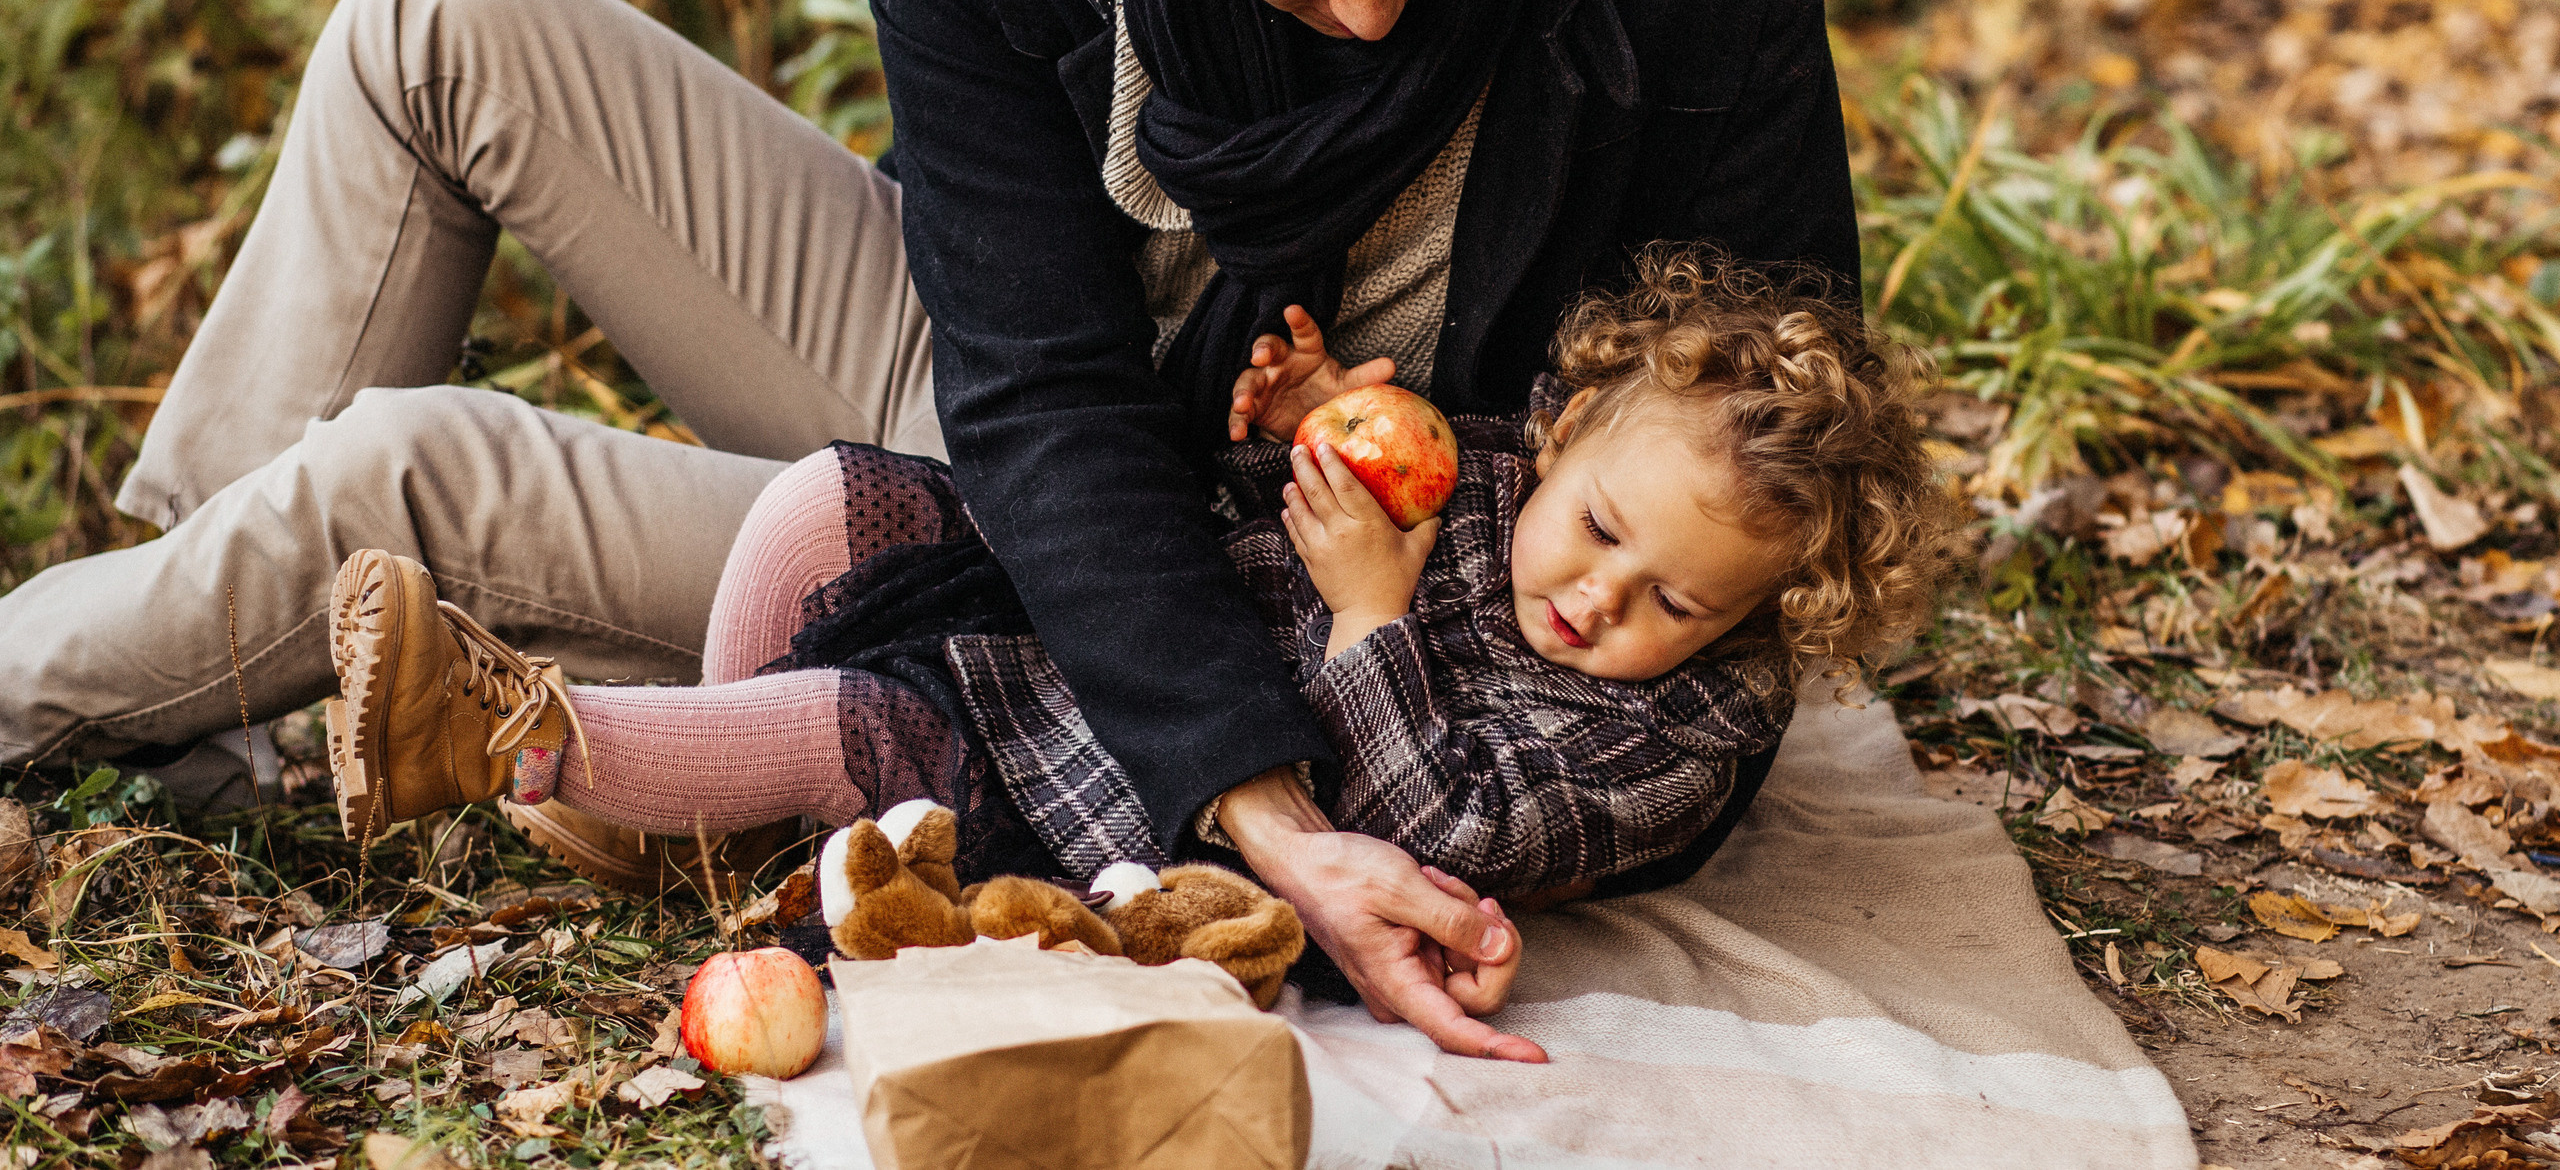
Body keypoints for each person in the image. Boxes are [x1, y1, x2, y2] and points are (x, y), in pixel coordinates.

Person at [0, 0, 1855, 1057]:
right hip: (1033, 411)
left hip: (1275, 572)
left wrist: (1272, 805)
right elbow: (1039, 393)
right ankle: (215, 672)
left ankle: (129, 686)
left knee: (413, 475)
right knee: (440, 3)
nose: (1378, 9)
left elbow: (1771, 443)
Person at [321, 254, 1945, 1049]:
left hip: (1155, 818)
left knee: (874, 724)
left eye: (1679, 602)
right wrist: (1302, 430)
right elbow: (1218, 518)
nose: (1604, 601)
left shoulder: (1671, 744)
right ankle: (699, 805)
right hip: (1117, 659)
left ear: (1756, 622)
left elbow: (1445, 835)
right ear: (1570, 425)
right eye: (1601, 531)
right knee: (833, 507)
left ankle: (524, 743)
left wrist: (1378, 615)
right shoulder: (1477, 469)